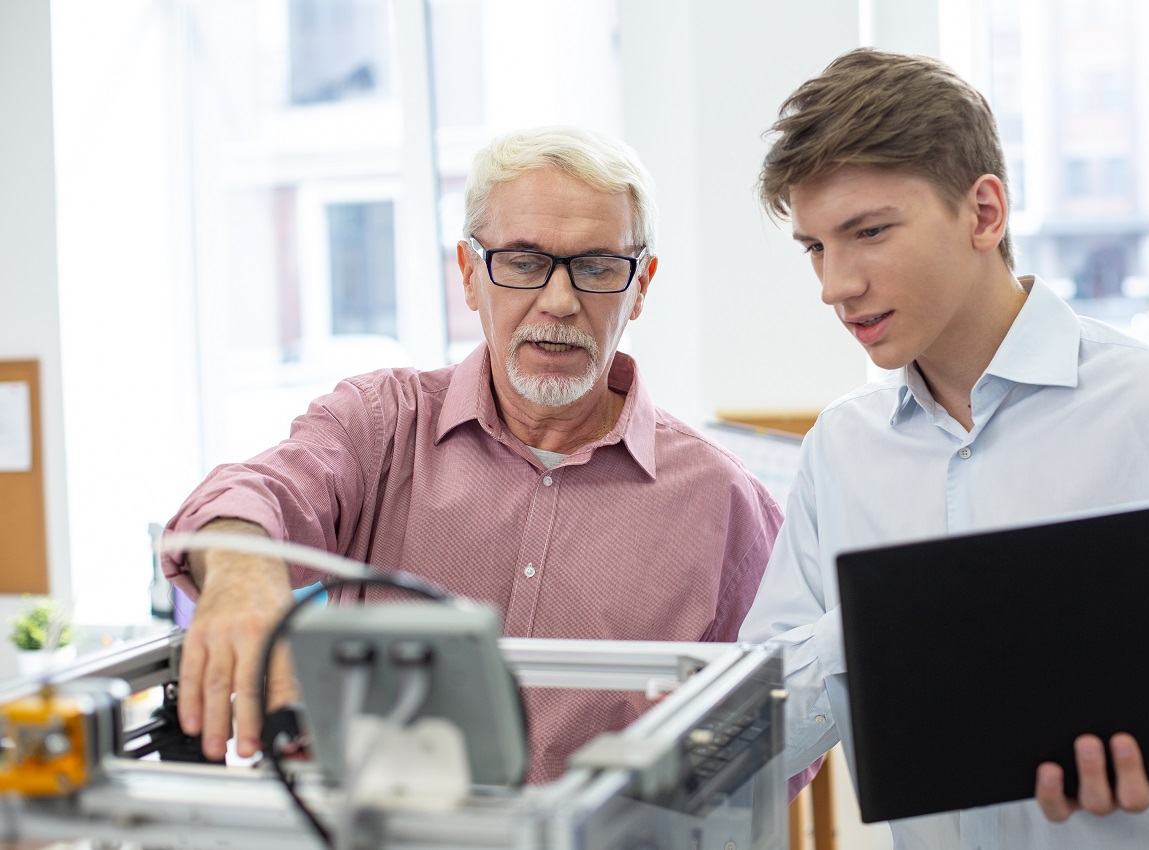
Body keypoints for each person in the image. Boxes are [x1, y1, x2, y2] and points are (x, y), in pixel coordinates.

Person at [739, 47, 1149, 848]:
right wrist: (876, 623)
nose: (835, 284)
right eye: (816, 247)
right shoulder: (840, 448)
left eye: (869, 232)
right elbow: (761, 733)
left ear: (984, 213)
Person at [163, 126, 783, 783]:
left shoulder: (722, 502)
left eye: (598, 267)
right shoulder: (382, 427)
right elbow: (255, 492)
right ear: (468, 273)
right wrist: (241, 567)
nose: (560, 301)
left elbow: (774, 749)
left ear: (642, 286)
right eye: (522, 261)